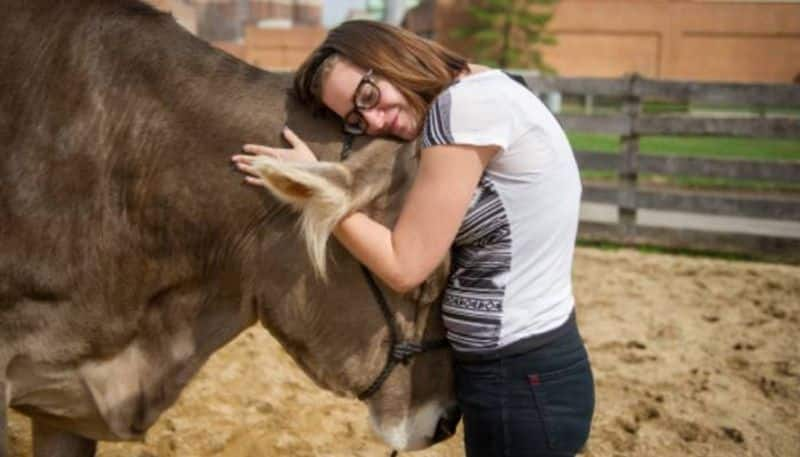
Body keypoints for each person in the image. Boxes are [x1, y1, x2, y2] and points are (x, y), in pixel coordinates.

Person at [232, 20, 594, 457]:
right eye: (357, 118)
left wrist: (314, 190)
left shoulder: (462, 110)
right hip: (525, 372)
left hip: (520, 379)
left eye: (368, 96)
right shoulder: (484, 89)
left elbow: (404, 266)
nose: (376, 121)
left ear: (388, 55)